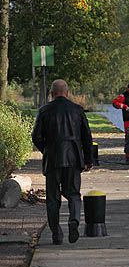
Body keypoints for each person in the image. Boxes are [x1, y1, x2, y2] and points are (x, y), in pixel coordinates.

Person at [32, 79, 93, 245]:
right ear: (67, 93)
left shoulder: (44, 111)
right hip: (73, 158)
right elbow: (87, 137)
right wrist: (88, 159)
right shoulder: (77, 110)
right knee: (73, 194)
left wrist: (46, 149)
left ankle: (56, 234)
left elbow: (36, 136)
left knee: (52, 199)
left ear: (52, 93)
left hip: (52, 159)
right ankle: (74, 220)